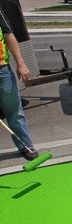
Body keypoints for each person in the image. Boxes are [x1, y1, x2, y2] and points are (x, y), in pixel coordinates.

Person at [0, 8, 38, 160]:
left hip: (2, 70)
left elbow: (9, 36)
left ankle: (26, 146)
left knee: (14, 112)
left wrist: (21, 63)